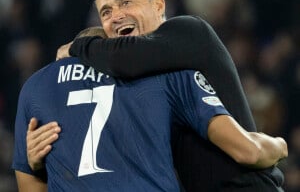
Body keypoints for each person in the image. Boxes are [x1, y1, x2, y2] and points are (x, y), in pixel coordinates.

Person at [27, 0, 286, 191]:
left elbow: (123, 57)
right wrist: (42, 157)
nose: (116, 15)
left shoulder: (191, 32)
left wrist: (78, 46)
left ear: (158, 4)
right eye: (105, 12)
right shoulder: (136, 82)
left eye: (126, 2)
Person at [13, 27, 287, 192]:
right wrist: (280, 145)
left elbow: (29, 186)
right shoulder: (166, 75)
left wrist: (39, 169)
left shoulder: (35, 86)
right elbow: (248, 151)